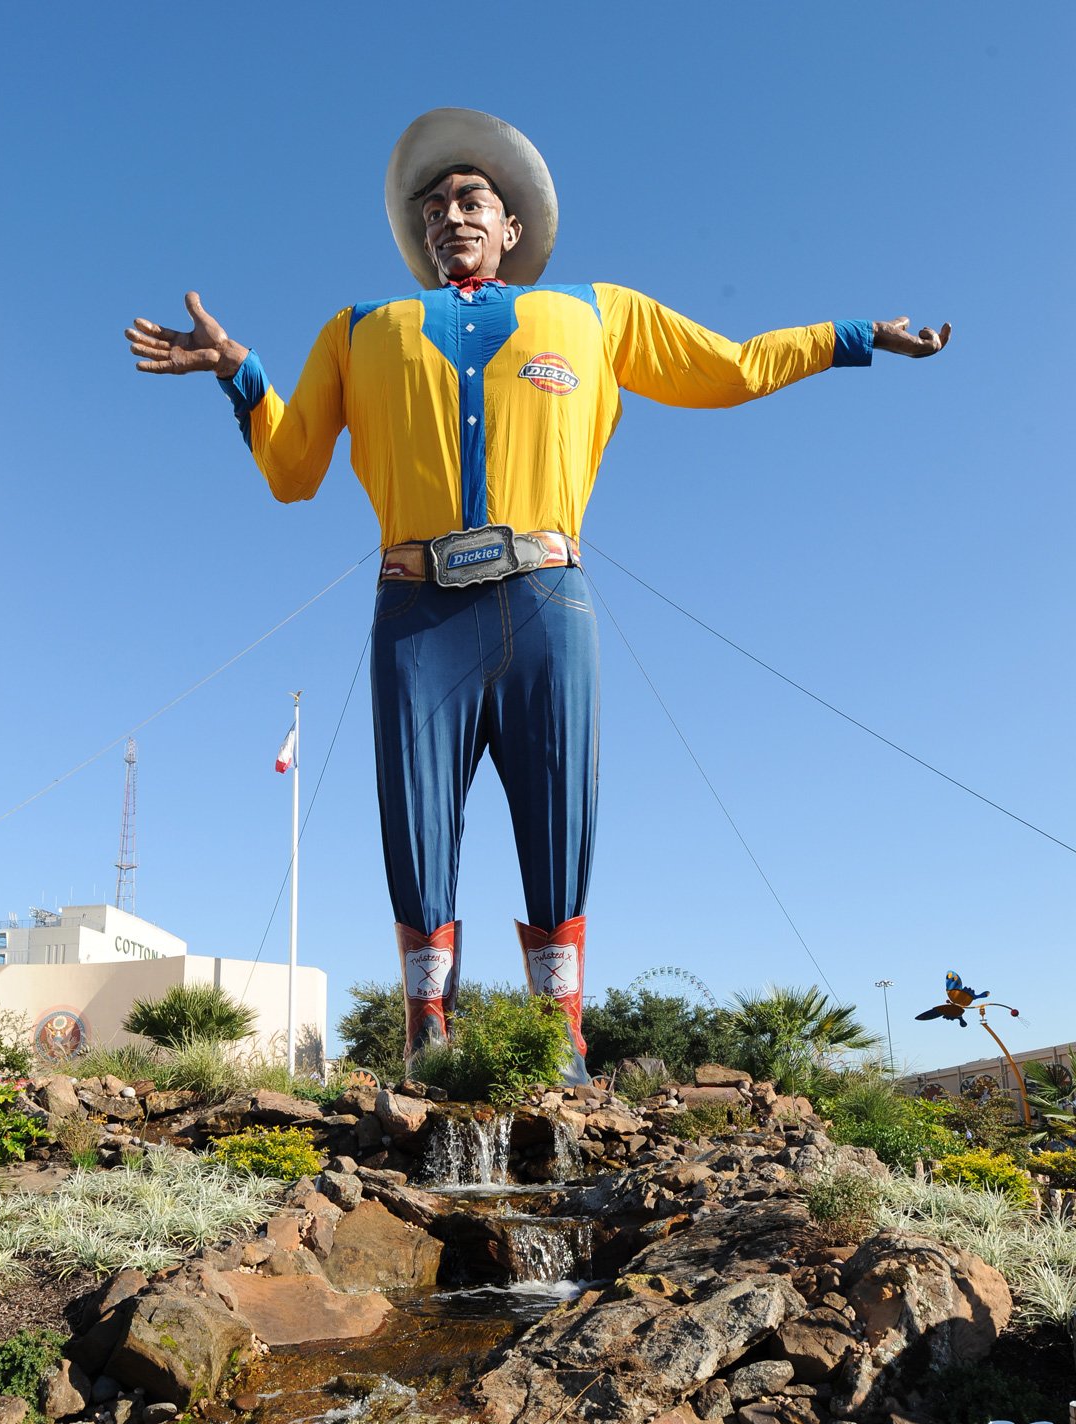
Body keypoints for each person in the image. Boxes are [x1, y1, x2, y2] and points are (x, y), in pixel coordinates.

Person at [126, 108, 949, 1083]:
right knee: (416, 819)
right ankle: (427, 1031)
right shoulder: (357, 331)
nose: (449, 217)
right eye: (432, 209)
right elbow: (291, 467)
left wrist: (854, 335)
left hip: (547, 601)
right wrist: (241, 375)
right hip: (418, 611)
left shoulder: (596, 313)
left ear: (511, 225)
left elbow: (730, 369)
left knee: (558, 814)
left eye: (469, 200)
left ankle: (558, 1033)